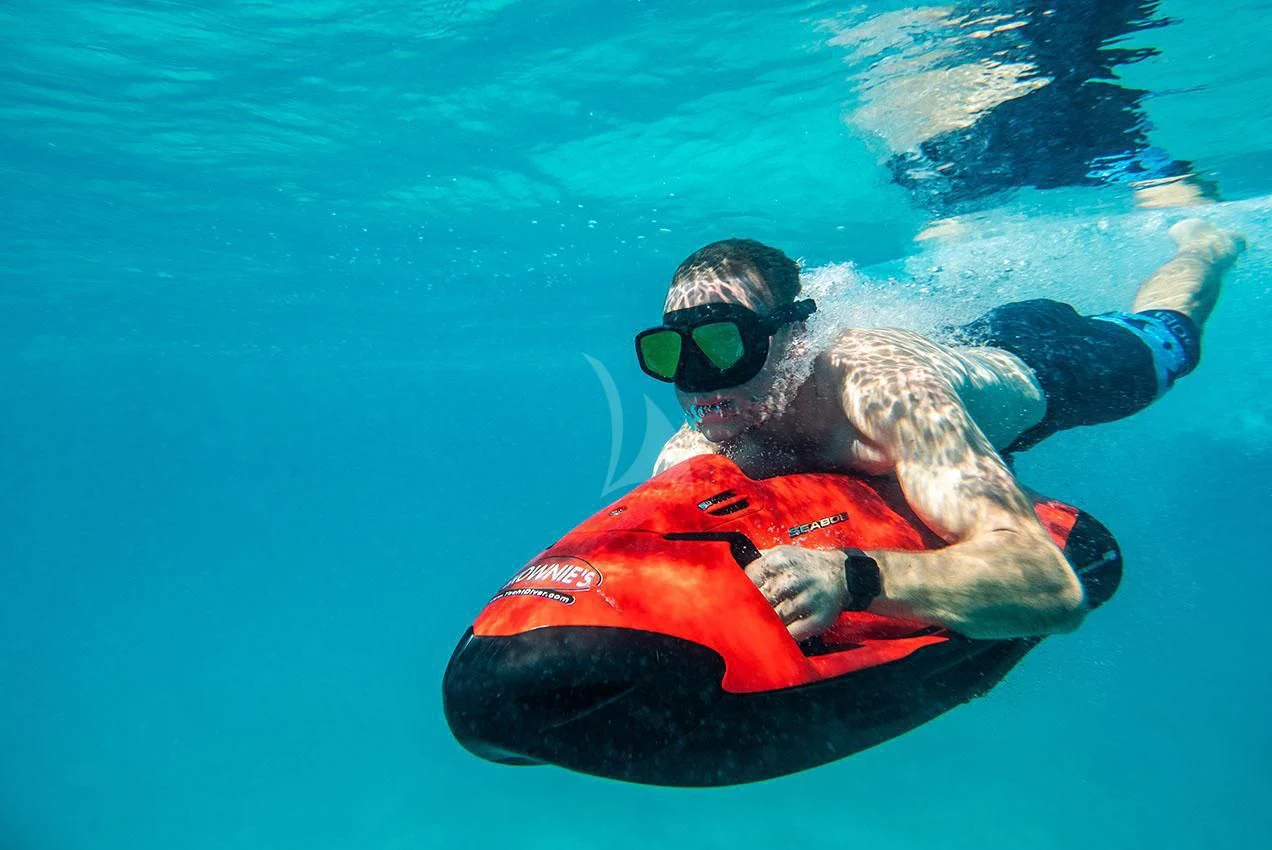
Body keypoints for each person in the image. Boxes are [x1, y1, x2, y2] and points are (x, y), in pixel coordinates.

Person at [637, 219, 1244, 641]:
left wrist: (855, 577)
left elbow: (1048, 584)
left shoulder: (881, 393)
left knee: (1168, 336)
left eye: (723, 344)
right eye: (670, 354)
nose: (698, 382)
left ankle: (1207, 246)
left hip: (1057, 367)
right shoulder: (699, 444)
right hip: (968, 344)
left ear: (794, 341)